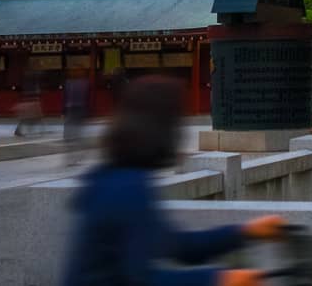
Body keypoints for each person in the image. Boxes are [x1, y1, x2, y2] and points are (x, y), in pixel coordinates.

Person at [61, 76, 281, 286]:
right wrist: (216, 280)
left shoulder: (113, 176)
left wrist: (246, 232)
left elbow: (177, 246)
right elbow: (140, 280)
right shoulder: (128, 187)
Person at [63, 67, 92, 163]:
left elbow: (88, 98)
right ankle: (73, 155)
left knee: (76, 134)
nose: (75, 73)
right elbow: (65, 97)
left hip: (78, 109)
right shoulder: (69, 83)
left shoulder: (84, 83)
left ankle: (75, 156)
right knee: (70, 135)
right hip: (72, 109)